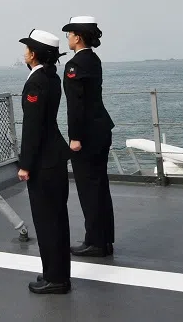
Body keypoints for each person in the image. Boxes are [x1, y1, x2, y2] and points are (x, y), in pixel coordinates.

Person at [17, 29, 72, 294]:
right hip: (55, 156)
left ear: (34, 54)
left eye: (28, 47)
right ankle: (56, 273)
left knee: (47, 220)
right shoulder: (52, 77)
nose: (24, 51)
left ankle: (56, 279)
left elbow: (33, 127)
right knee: (57, 219)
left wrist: (25, 164)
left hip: (43, 162)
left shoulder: (36, 82)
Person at [61, 16, 115, 258]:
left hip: (87, 136)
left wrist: (75, 137)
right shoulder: (94, 60)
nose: (67, 38)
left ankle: (95, 242)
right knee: (100, 186)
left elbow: (76, 105)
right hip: (101, 130)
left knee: (89, 189)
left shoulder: (74, 65)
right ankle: (105, 240)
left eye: (70, 34)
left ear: (78, 37)